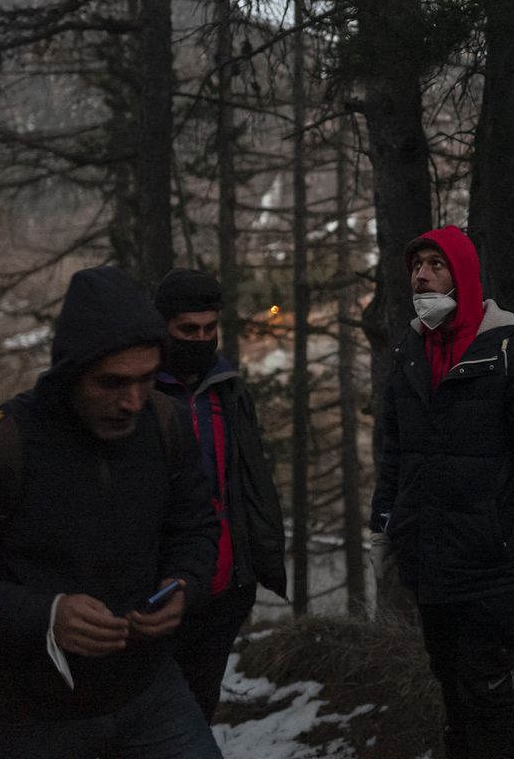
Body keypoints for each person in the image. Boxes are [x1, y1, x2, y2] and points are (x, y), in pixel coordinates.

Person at [0, 265, 223, 759]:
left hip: (152, 693)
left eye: (145, 380)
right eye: (111, 383)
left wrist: (184, 583)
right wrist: (46, 615)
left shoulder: (167, 424)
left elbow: (197, 526)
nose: (132, 401)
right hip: (36, 714)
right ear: (70, 370)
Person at [370, 225, 514, 759]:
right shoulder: (411, 349)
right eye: (416, 266)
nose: (421, 275)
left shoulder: (511, 348)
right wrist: (384, 526)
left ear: (463, 274)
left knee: (489, 696)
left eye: (435, 265)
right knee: (451, 689)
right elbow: (396, 453)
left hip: (490, 563)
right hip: (429, 561)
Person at [152, 268, 287, 722]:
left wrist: (257, 565)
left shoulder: (229, 389)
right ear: (163, 328)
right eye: (187, 330)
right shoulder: (139, 393)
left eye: (209, 329)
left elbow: (249, 479)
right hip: (158, 587)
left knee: (198, 705)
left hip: (225, 588)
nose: (200, 339)